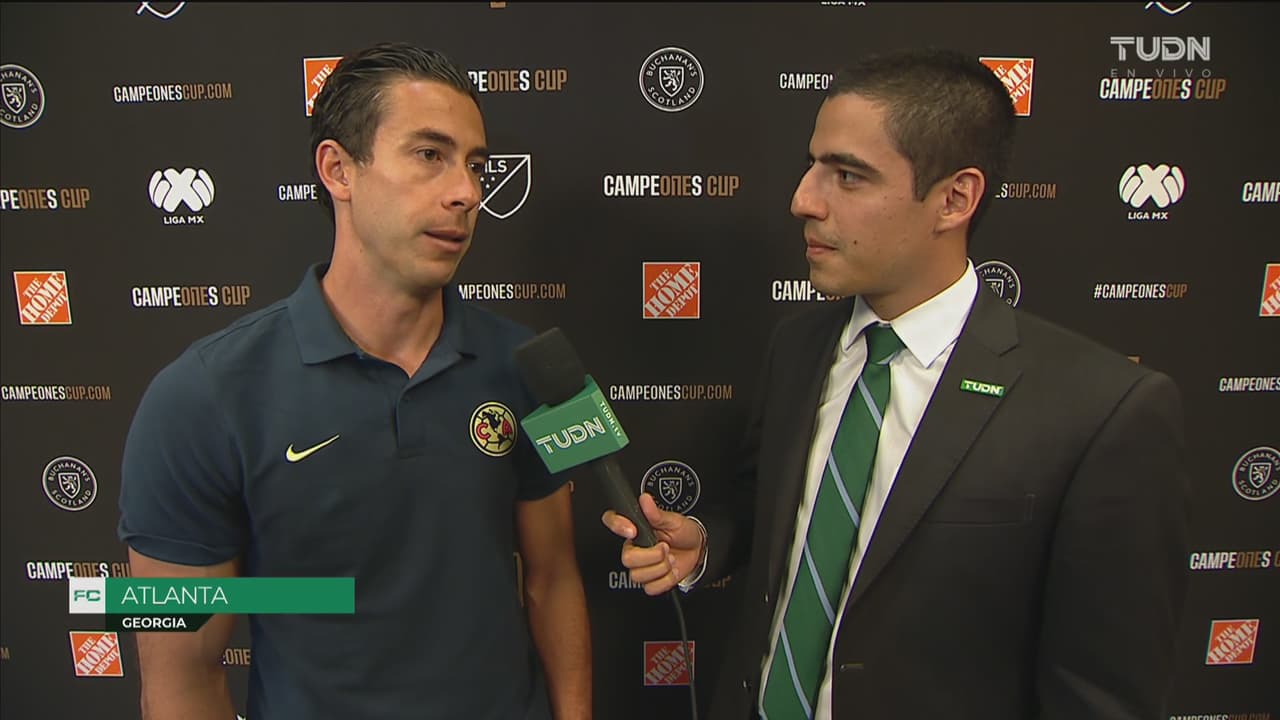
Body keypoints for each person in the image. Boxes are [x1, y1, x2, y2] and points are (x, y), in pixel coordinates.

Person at [604, 48, 1189, 719]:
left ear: (954, 199)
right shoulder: (798, 347)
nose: (803, 200)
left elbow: (1101, 694)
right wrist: (709, 544)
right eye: (812, 166)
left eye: (848, 177)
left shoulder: (1100, 411)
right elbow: (774, 508)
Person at [119, 42, 591, 719]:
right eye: (429, 155)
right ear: (338, 169)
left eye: (475, 165)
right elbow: (179, 679)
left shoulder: (526, 365)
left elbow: (554, 577)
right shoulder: (197, 398)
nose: (467, 192)